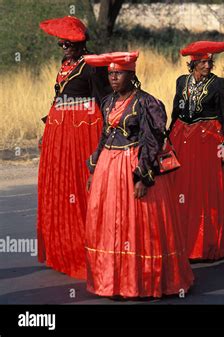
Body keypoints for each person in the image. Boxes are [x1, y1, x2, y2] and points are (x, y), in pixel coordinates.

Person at [84, 51, 194, 298]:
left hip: (132, 166)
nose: (113, 78)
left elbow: (152, 141)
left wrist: (143, 178)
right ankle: (113, 282)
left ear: (131, 75)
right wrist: (94, 168)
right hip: (108, 169)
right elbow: (104, 135)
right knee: (111, 223)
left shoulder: (147, 103)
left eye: (118, 73)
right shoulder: (108, 101)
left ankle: (141, 282)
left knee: (139, 225)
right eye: (110, 73)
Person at [37, 16, 111, 279]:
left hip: (82, 133)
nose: (65, 48)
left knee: (80, 186)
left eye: (69, 43)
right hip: (59, 132)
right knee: (61, 186)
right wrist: (47, 127)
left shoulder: (92, 66)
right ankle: (62, 248)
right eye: (62, 44)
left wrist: (108, 135)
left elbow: (104, 100)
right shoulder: (66, 64)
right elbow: (60, 96)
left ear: (81, 43)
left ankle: (87, 247)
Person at [168, 41, 224, 261]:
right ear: (193, 63)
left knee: (206, 190)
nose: (208, 66)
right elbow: (175, 111)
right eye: (203, 62)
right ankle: (183, 241)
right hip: (182, 138)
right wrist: (168, 139)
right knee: (182, 189)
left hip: (208, 140)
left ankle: (205, 243)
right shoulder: (181, 82)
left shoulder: (220, 85)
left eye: (210, 62)